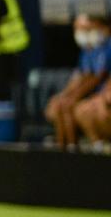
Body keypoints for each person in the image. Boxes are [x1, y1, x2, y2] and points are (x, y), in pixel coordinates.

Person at [46, 15, 110, 150]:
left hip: (100, 97)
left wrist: (74, 97)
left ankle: (88, 146)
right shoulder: (87, 51)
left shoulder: (105, 47)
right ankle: (65, 147)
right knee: (59, 105)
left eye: (84, 29)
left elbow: (97, 77)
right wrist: (65, 95)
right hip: (92, 96)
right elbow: (81, 77)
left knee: (78, 109)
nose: (81, 33)